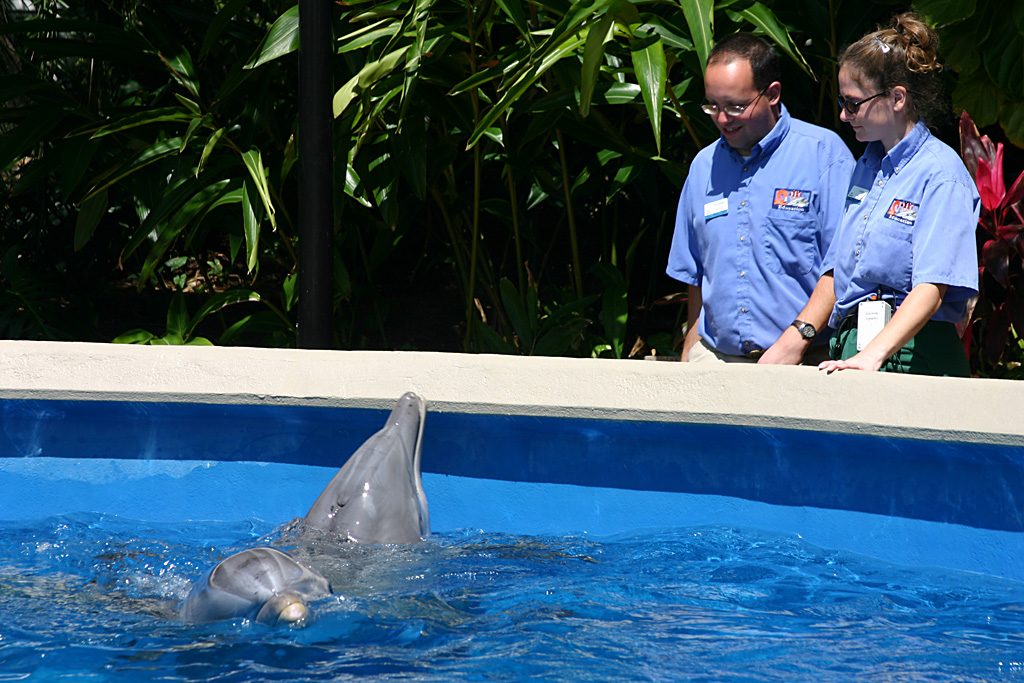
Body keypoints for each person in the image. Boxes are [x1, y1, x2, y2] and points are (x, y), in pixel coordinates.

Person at [805, 13, 979, 376]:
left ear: (897, 98)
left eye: (853, 103)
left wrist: (873, 354)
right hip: (855, 347)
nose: (842, 114)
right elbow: (841, 269)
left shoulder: (941, 175)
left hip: (911, 354)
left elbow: (932, 286)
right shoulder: (867, 166)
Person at [666, 33, 855, 364]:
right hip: (716, 359)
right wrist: (690, 354)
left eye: (736, 106)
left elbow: (843, 264)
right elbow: (695, 276)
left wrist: (799, 337)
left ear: (772, 94)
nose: (722, 119)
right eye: (713, 105)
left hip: (806, 357)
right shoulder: (703, 167)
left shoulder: (824, 156)